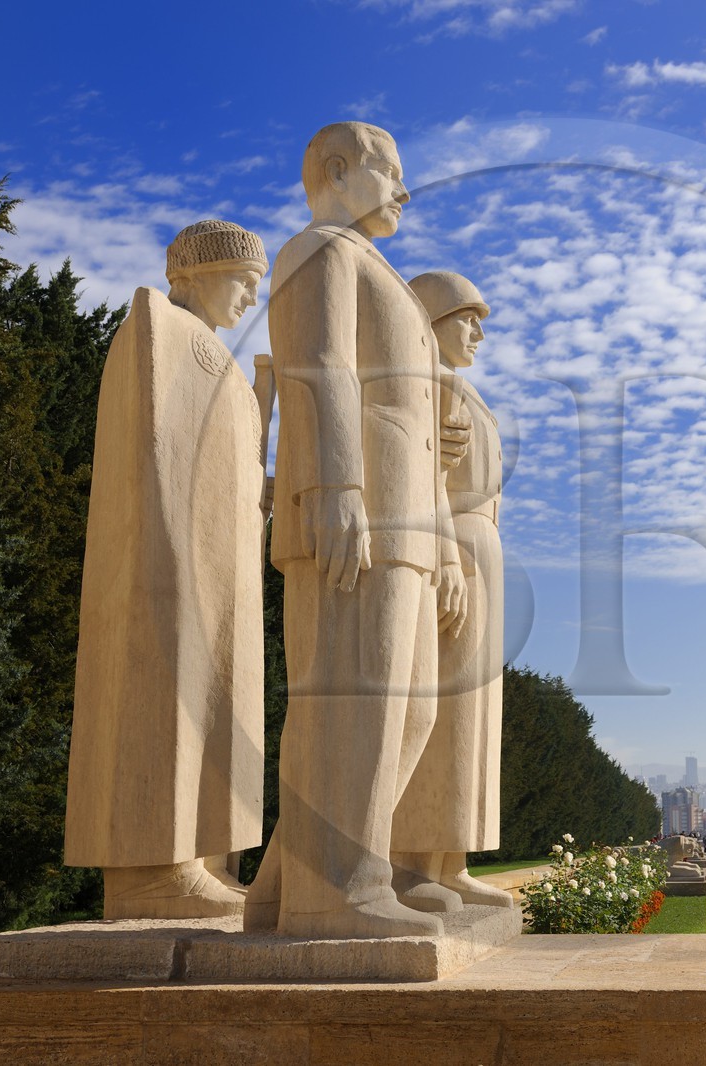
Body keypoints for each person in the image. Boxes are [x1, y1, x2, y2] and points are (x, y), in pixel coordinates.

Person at [247, 121, 467, 940]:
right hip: (355, 504)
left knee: (403, 709)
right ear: (338, 170)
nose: (405, 190)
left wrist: (439, 535)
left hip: (401, 509)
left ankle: (290, 885)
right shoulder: (317, 251)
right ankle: (336, 889)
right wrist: (332, 484)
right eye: (391, 172)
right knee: (353, 699)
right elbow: (318, 365)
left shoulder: (376, 267)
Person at [65, 219, 270, 920]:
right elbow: (155, 453)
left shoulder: (218, 357)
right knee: (167, 697)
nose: (249, 299)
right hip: (171, 558)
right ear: (196, 271)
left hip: (221, 564)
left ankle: (207, 858)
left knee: (219, 699)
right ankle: (154, 869)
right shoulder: (158, 328)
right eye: (244, 281)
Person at [388, 271, 514, 911]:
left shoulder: (463, 390)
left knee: (472, 719)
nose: (478, 332)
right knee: (440, 710)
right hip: (453, 549)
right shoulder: (422, 387)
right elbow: (425, 478)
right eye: (466, 318)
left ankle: (451, 858)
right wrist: (448, 559)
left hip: (480, 548)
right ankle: (411, 863)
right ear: (431, 320)